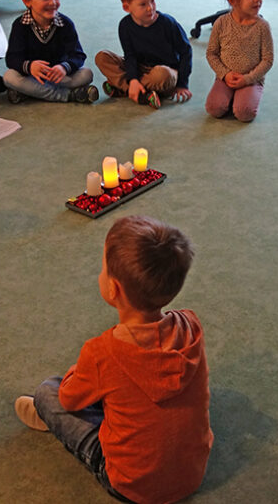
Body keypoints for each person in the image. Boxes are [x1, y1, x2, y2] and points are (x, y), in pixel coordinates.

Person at [14, 215, 212, 504]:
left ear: (113, 289)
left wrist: (79, 371)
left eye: (103, 269)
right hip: (192, 473)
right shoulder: (191, 325)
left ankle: (51, 417)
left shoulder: (102, 352)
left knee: (48, 392)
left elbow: (68, 399)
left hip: (133, 486)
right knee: (119, 392)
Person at [95, 0, 193, 109]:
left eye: (152, 1)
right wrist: (134, 78)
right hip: (140, 68)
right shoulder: (125, 25)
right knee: (102, 57)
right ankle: (138, 90)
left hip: (164, 71)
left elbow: (186, 51)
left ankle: (124, 88)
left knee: (162, 74)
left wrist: (182, 84)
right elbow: (130, 55)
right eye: (143, 4)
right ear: (126, 7)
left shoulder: (168, 23)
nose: (150, 8)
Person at [2, 0, 99, 104]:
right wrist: (30, 67)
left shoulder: (65, 24)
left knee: (87, 74)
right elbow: (12, 58)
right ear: (27, 0)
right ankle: (68, 95)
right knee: (9, 77)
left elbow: (78, 55)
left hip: (58, 77)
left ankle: (30, 92)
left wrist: (63, 67)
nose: (52, 3)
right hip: (32, 76)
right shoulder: (20, 26)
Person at [205, 0, 274, 122]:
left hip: (251, 79)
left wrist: (248, 79)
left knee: (244, 113)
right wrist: (225, 74)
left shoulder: (263, 27)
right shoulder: (221, 23)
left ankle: (242, 98)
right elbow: (211, 53)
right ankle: (230, 98)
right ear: (232, 0)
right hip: (226, 77)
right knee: (214, 108)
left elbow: (268, 60)